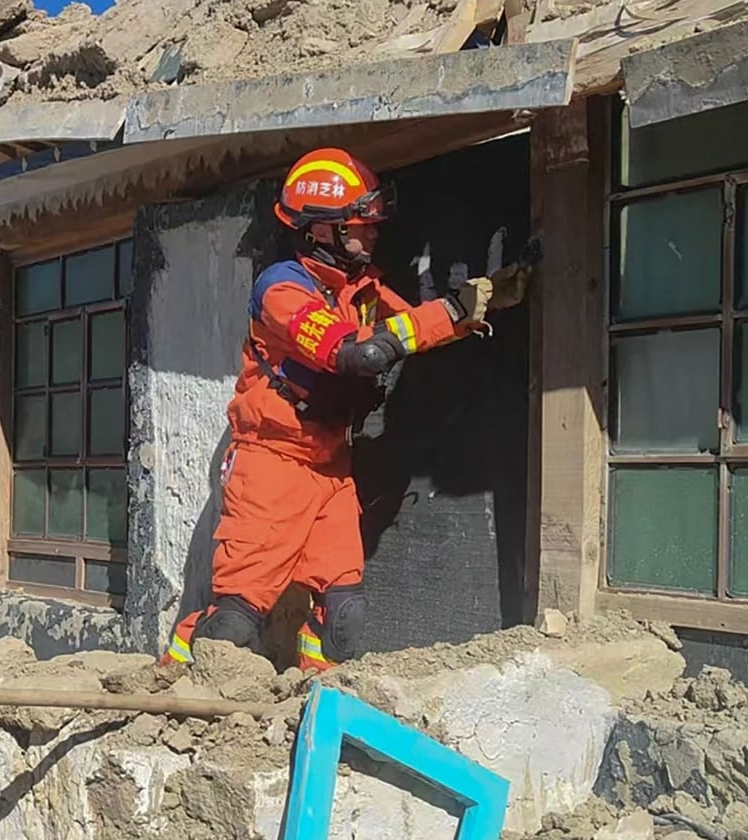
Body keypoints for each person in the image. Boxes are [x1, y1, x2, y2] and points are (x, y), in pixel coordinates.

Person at [163, 147, 529, 673]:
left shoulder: (361, 289)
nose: (374, 231)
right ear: (322, 230)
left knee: (344, 614)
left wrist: (479, 306)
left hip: (331, 468)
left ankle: (315, 695)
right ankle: (178, 687)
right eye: (362, 223)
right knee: (235, 622)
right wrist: (448, 310)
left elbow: (414, 328)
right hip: (273, 465)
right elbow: (356, 351)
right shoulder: (281, 290)